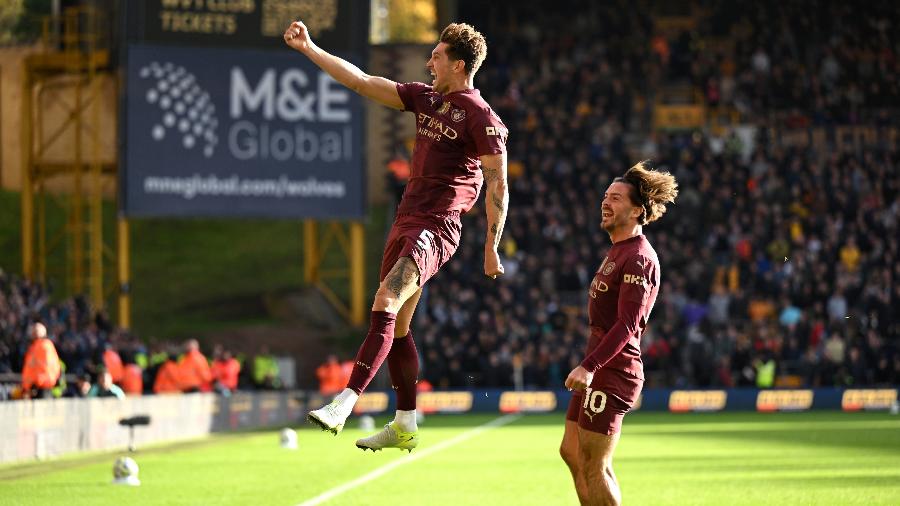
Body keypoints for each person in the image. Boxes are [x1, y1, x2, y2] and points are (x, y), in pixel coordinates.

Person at [285, 20, 508, 451]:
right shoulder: (426, 100)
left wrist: (491, 245)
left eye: (437, 56)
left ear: (459, 65)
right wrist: (310, 48)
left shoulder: (482, 117)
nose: (429, 62)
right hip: (406, 220)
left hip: (436, 226)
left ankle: (346, 401)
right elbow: (363, 81)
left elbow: (498, 183)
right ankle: (405, 422)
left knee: (386, 300)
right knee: (400, 326)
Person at [559, 162, 678, 505]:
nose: (605, 202)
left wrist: (589, 367)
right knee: (571, 451)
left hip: (614, 371)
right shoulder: (617, 250)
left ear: (638, 211)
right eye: (605, 196)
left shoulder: (640, 258)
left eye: (615, 198)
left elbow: (627, 324)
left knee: (595, 464)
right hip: (600, 367)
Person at [21, 323, 61, 399]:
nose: (33, 334)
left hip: (41, 388)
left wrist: (36, 383)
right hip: (34, 388)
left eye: (35, 331)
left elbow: (46, 367)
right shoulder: (34, 346)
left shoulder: (45, 345)